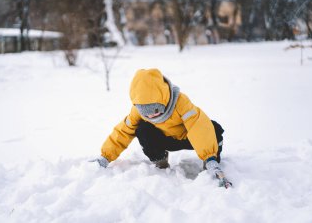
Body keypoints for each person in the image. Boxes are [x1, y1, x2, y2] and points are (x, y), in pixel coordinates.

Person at [91, 68, 231, 188]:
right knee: (142, 129)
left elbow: (198, 126)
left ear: (163, 100)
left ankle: (211, 164)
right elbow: (123, 132)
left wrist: (210, 157)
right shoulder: (137, 112)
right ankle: (160, 161)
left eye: (155, 110)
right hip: (166, 140)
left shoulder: (181, 102)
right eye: (146, 113)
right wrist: (105, 157)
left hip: (189, 138)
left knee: (213, 128)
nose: (151, 115)